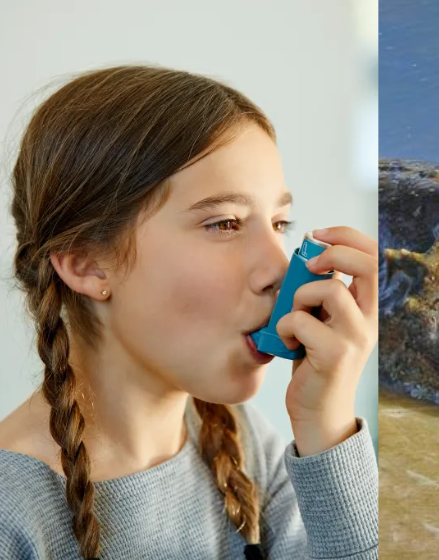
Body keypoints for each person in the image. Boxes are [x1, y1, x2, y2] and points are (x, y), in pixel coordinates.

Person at [0, 64, 378, 559]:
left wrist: (327, 429)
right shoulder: (14, 517)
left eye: (280, 222)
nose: (280, 270)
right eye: (224, 223)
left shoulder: (245, 447)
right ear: (86, 263)